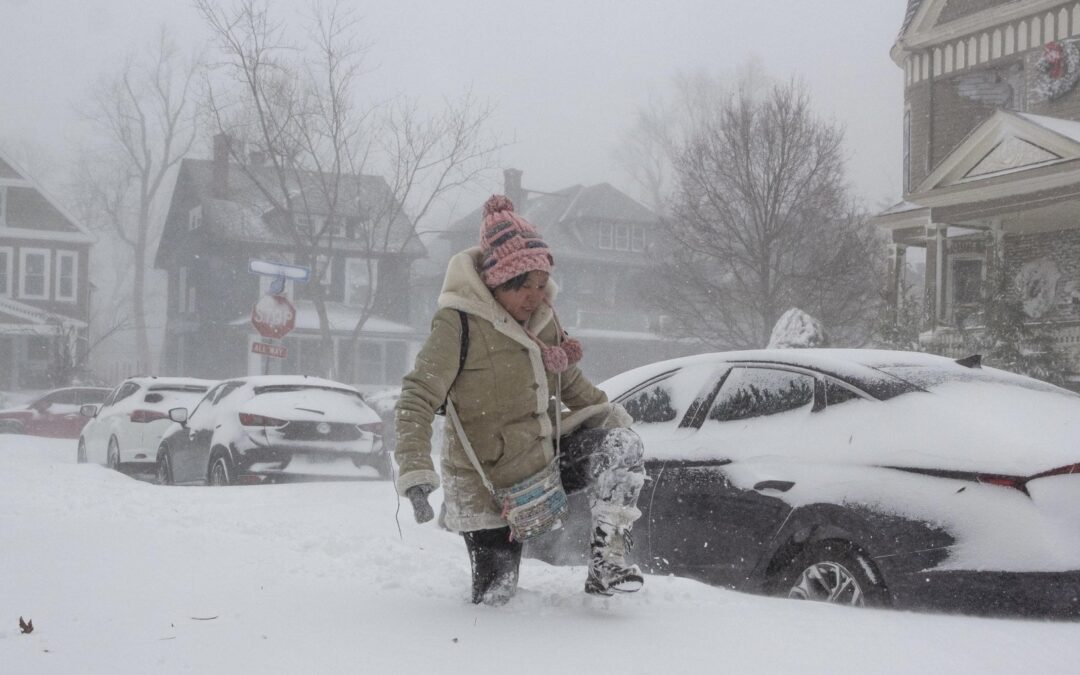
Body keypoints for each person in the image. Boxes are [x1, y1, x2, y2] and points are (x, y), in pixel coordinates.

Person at [394, 194, 647, 605]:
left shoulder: (544, 324)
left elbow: (576, 388)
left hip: (543, 462)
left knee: (621, 445)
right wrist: (416, 472)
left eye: (540, 285)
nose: (535, 297)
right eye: (522, 286)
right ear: (497, 282)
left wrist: (622, 421)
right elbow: (417, 397)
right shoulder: (458, 322)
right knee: (497, 599)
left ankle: (609, 563)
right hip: (487, 483)